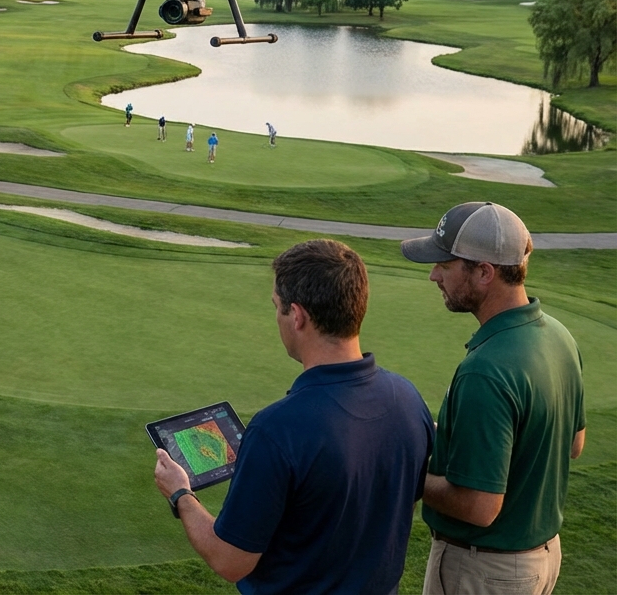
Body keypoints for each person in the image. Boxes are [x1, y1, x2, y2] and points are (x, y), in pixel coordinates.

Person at [154, 239, 433, 595]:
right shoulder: (407, 398)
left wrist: (179, 493)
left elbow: (230, 560)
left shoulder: (277, 429)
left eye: (277, 307)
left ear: (297, 316)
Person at [401, 202, 585, 595]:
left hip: (486, 571)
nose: (434, 275)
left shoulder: (485, 370)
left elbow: (480, 507)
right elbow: (574, 442)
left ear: (484, 272)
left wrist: (405, 471)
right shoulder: (558, 335)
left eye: (445, 265)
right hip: (543, 557)